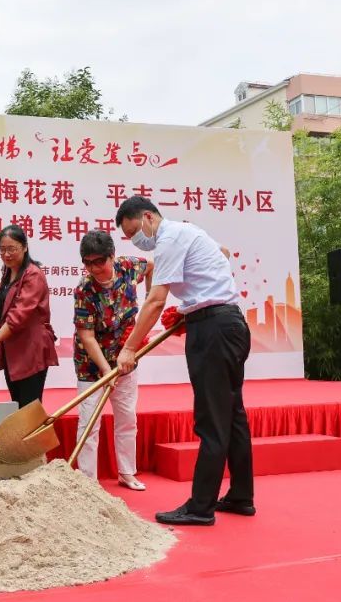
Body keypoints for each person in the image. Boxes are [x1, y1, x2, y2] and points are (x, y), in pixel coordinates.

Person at [115, 196, 253, 526]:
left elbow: (155, 301)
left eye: (134, 231)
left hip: (214, 330)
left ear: (148, 217)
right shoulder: (187, 231)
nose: (136, 240)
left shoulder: (169, 238)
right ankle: (241, 496)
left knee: (211, 420)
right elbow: (223, 253)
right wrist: (193, 304)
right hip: (228, 323)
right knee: (232, 414)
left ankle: (200, 507)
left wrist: (129, 349)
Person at [72, 230, 152, 489]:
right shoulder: (84, 289)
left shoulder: (128, 267)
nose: (94, 269)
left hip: (126, 358)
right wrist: (107, 372)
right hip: (92, 365)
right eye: (88, 263)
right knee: (89, 422)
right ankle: (87, 482)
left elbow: (151, 266)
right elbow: (86, 336)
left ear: (112, 256)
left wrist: (151, 300)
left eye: (100, 262)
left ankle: (127, 472)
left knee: (127, 417)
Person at [0, 225, 58, 409]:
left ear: (25, 247)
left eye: (12, 249)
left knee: (29, 408)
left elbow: (17, 316)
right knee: (18, 404)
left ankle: (34, 430)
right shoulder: (10, 270)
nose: (6, 254)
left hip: (31, 349)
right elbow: (10, 288)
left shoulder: (34, 274)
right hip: (14, 349)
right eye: (2, 249)